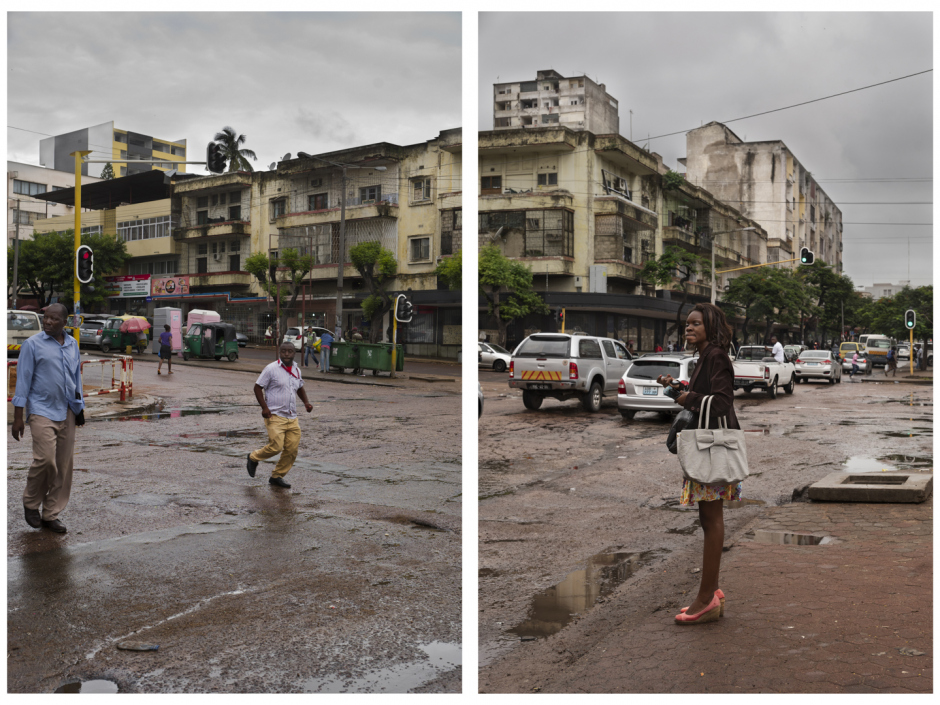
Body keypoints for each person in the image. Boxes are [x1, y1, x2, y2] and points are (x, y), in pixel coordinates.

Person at [658, 302, 740, 625]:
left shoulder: (716, 356)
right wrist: (677, 390)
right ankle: (713, 591)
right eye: (687, 324)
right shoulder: (704, 356)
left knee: (711, 520)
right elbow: (701, 396)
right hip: (705, 448)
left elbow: (721, 402)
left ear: (710, 325)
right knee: (707, 520)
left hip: (711, 450)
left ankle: (705, 599)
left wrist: (685, 398)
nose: (688, 328)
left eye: (695, 324)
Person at [10, 303, 85, 534]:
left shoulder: (72, 345)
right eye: (46, 318)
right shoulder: (33, 344)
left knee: (63, 466)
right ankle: (31, 503)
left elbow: (75, 378)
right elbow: (22, 380)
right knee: (45, 460)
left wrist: (80, 407)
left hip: (68, 411)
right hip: (41, 410)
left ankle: (51, 514)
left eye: (54, 319)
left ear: (65, 322)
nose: (48, 322)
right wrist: (18, 417)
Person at [246, 342, 313, 488]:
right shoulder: (271, 369)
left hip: (292, 417)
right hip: (274, 415)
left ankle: (277, 476)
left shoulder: (296, 369)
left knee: (292, 449)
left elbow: (300, 387)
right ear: (279, 353)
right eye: (284, 351)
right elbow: (257, 387)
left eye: (289, 351)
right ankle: (253, 457)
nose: (286, 354)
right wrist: (264, 407)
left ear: (294, 353)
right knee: (276, 446)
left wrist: (306, 403)